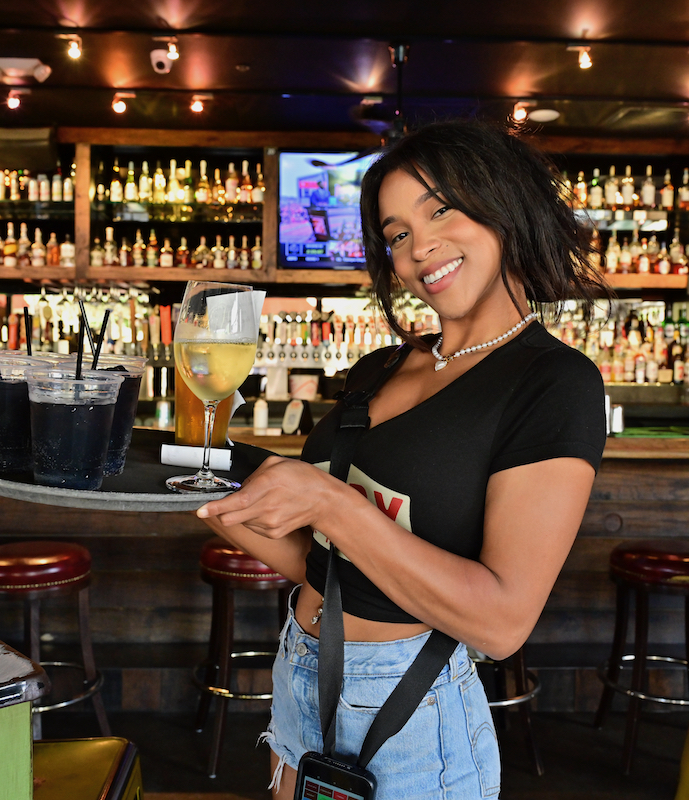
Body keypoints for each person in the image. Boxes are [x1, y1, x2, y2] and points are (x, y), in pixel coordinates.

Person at [197, 120, 609, 799]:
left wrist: (331, 502)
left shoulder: (552, 382)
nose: (420, 248)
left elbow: (501, 623)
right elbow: (327, 563)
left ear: (502, 204)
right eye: (396, 235)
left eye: (440, 210)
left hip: (409, 707)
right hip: (301, 670)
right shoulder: (377, 369)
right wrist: (209, 497)